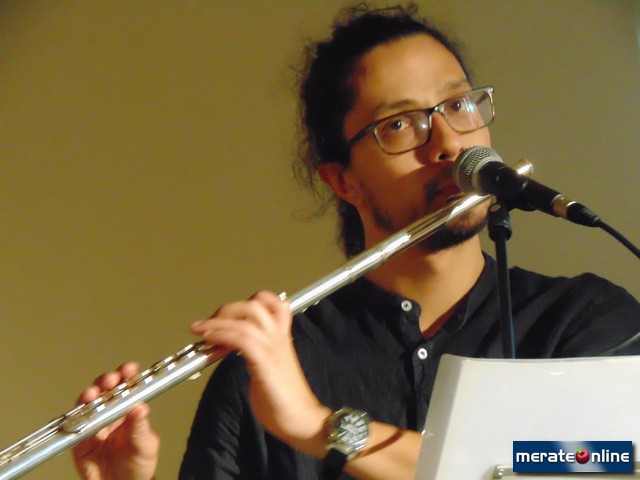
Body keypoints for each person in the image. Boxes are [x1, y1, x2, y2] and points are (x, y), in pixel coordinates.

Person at [72, 4, 640, 480]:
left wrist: (320, 426)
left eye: (459, 105)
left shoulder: (584, 319)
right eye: (399, 124)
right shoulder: (268, 369)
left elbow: (590, 464)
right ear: (342, 180)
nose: (448, 143)